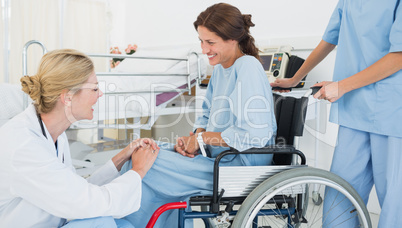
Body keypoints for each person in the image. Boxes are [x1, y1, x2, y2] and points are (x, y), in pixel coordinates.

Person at [121, 3, 277, 227]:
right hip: (216, 158)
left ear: (233, 39)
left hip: (240, 166)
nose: (204, 50)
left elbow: (253, 135)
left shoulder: (248, 68)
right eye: (201, 41)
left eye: (210, 42)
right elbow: (206, 116)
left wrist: (201, 140)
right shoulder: (220, 70)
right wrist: (193, 139)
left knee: (149, 165)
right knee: (143, 150)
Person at [271, 0, 402, 226]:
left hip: (390, 110)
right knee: (341, 192)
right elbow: (329, 40)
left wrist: (342, 86)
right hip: (354, 109)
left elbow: (398, 56)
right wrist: (295, 78)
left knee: (394, 199)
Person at [0, 49, 160, 228]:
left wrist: (120, 159)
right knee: (103, 223)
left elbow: (73, 190)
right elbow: (85, 202)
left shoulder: (55, 135)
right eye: (94, 88)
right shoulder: (23, 146)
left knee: (121, 225)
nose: (100, 94)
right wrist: (137, 171)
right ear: (68, 97)